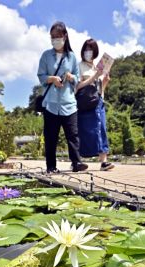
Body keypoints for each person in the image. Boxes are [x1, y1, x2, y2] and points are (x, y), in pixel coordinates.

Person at [37, 21, 88, 174]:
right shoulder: (46, 56)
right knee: (51, 137)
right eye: (52, 37)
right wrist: (52, 79)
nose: (55, 40)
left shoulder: (71, 57)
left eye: (57, 37)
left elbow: (77, 79)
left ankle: (76, 162)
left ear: (65, 36)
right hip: (51, 104)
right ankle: (51, 166)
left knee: (73, 135)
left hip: (69, 103)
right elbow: (40, 76)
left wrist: (71, 77)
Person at [76, 39, 114, 171]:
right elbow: (77, 86)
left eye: (91, 49)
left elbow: (99, 91)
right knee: (83, 131)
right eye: (86, 49)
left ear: (95, 52)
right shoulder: (79, 66)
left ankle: (104, 162)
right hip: (84, 104)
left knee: (101, 130)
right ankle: (76, 161)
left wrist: (105, 81)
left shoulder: (97, 67)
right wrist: (94, 77)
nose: (88, 52)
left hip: (98, 103)